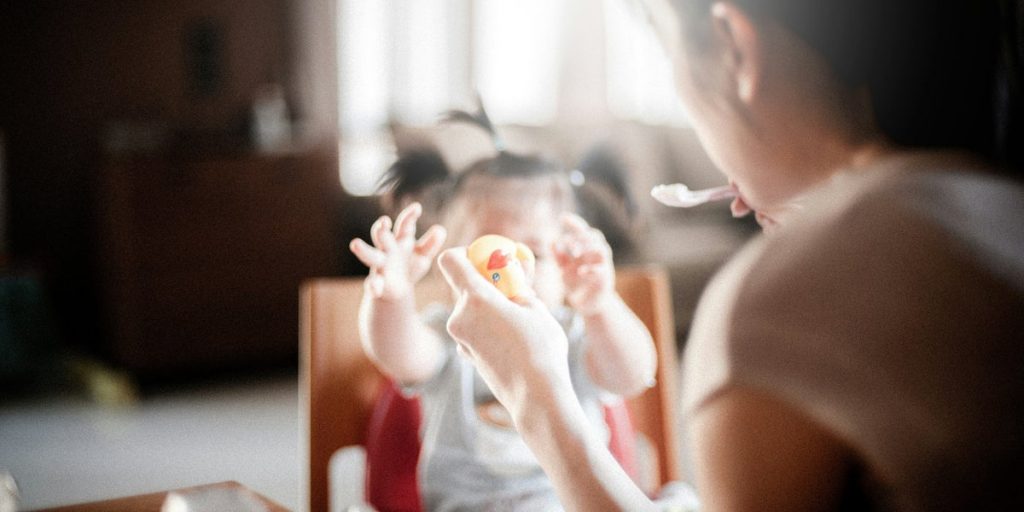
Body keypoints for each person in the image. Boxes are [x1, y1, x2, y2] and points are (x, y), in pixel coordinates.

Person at [433, 0, 1024, 510]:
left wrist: (536, 395)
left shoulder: (769, 307)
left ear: (734, 47)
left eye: (670, 64)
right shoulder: (1001, 206)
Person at [348, 107, 657, 511]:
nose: (510, 272)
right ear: (449, 267)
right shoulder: (451, 333)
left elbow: (633, 375)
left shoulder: (575, 336)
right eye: (488, 253)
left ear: (565, 267)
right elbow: (398, 354)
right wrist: (392, 297)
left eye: (533, 253)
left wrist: (600, 305)